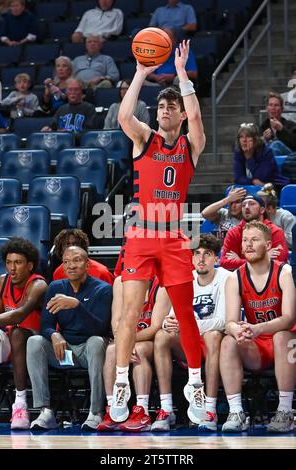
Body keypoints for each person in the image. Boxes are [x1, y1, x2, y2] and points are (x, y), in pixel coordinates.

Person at [109, 39, 206, 425]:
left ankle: (195, 384)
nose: (165, 110)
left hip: (174, 239)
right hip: (141, 237)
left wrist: (182, 75)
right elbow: (123, 116)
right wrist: (140, 73)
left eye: (172, 107)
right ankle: (120, 383)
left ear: (180, 115)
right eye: (161, 105)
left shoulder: (190, 145)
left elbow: (198, 119)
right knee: (129, 314)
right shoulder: (143, 138)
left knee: (185, 314)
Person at [220, 220, 296, 433]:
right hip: (258, 345)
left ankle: (285, 411)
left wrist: (257, 328)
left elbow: (289, 319)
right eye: (245, 240)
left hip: (288, 343)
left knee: (281, 336)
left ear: (269, 245)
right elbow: (230, 322)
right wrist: (237, 330)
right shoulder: (235, 278)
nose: (248, 245)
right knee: (228, 341)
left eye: (254, 240)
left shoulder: (285, 272)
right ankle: (236, 412)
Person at [26, 246, 112, 431]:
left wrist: (77, 306)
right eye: (66, 262)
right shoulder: (56, 287)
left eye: (76, 260)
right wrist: (54, 334)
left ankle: (96, 412)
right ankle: (45, 412)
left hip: (89, 351)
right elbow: (45, 326)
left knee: (97, 342)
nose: (71, 266)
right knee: (34, 342)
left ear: (87, 265)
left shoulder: (103, 289)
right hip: (64, 351)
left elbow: (102, 328)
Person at [151, 234, 230, 432]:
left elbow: (222, 321)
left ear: (216, 259)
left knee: (213, 335)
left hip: (213, 344)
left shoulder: (227, 277)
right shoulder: (184, 277)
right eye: (196, 254)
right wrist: (168, 322)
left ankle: (209, 409)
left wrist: (187, 325)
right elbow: (172, 316)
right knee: (161, 336)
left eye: (207, 254)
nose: (201, 259)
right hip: (187, 342)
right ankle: (166, 409)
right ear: (190, 257)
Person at [97, 275, 170, 432]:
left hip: (149, 340)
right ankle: (113, 409)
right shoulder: (120, 282)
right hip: (126, 338)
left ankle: (142, 411)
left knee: (139, 350)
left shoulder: (162, 283)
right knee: (111, 350)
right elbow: (116, 323)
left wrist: (128, 342)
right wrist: (124, 342)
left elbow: (155, 326)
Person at [0, 237, 47, 429]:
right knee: (13, 334)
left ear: (30, 265)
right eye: (9, 263)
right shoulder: (2, 282)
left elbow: (17, 316)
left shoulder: (38, 285)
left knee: (18, 333)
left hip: (36, 342)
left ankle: (20, 405)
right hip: (9, 341)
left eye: (18, 263)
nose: (12, 268)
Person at [220, 194, 289, 270]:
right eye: (243, 205)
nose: (246, 207)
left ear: (262, 210)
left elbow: (278, 261)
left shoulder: (275, 231)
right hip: (242, 278)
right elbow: (224, 263)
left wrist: (239, 261)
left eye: (251, 204)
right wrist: (264, 259)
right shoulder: (234, 233)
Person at [234, 122, 290, 187]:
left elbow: (261, 178)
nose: (244, 140)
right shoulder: (238, 151)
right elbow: (238, 178)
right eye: (241, 137)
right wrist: (253, 181)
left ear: (255, 139)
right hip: (252, 186)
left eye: (248, 136)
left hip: (273, 185)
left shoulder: (266, 152)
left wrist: (249, 157)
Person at [257, 183, 295, 249]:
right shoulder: (257, 216)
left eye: (260, 205)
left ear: (270, 208)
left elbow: (292, 242)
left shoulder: (286, 217)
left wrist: (274, 233)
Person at [260, 92, 296, 156]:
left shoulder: (291, 125)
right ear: (267, 108)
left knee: (276, 144)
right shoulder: (263, 127)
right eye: (270, 105)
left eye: (276, 105)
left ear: (282, 109)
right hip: (270, 160)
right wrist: (263, 139)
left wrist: (282, 129)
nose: (273, 108)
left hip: (289, 159)